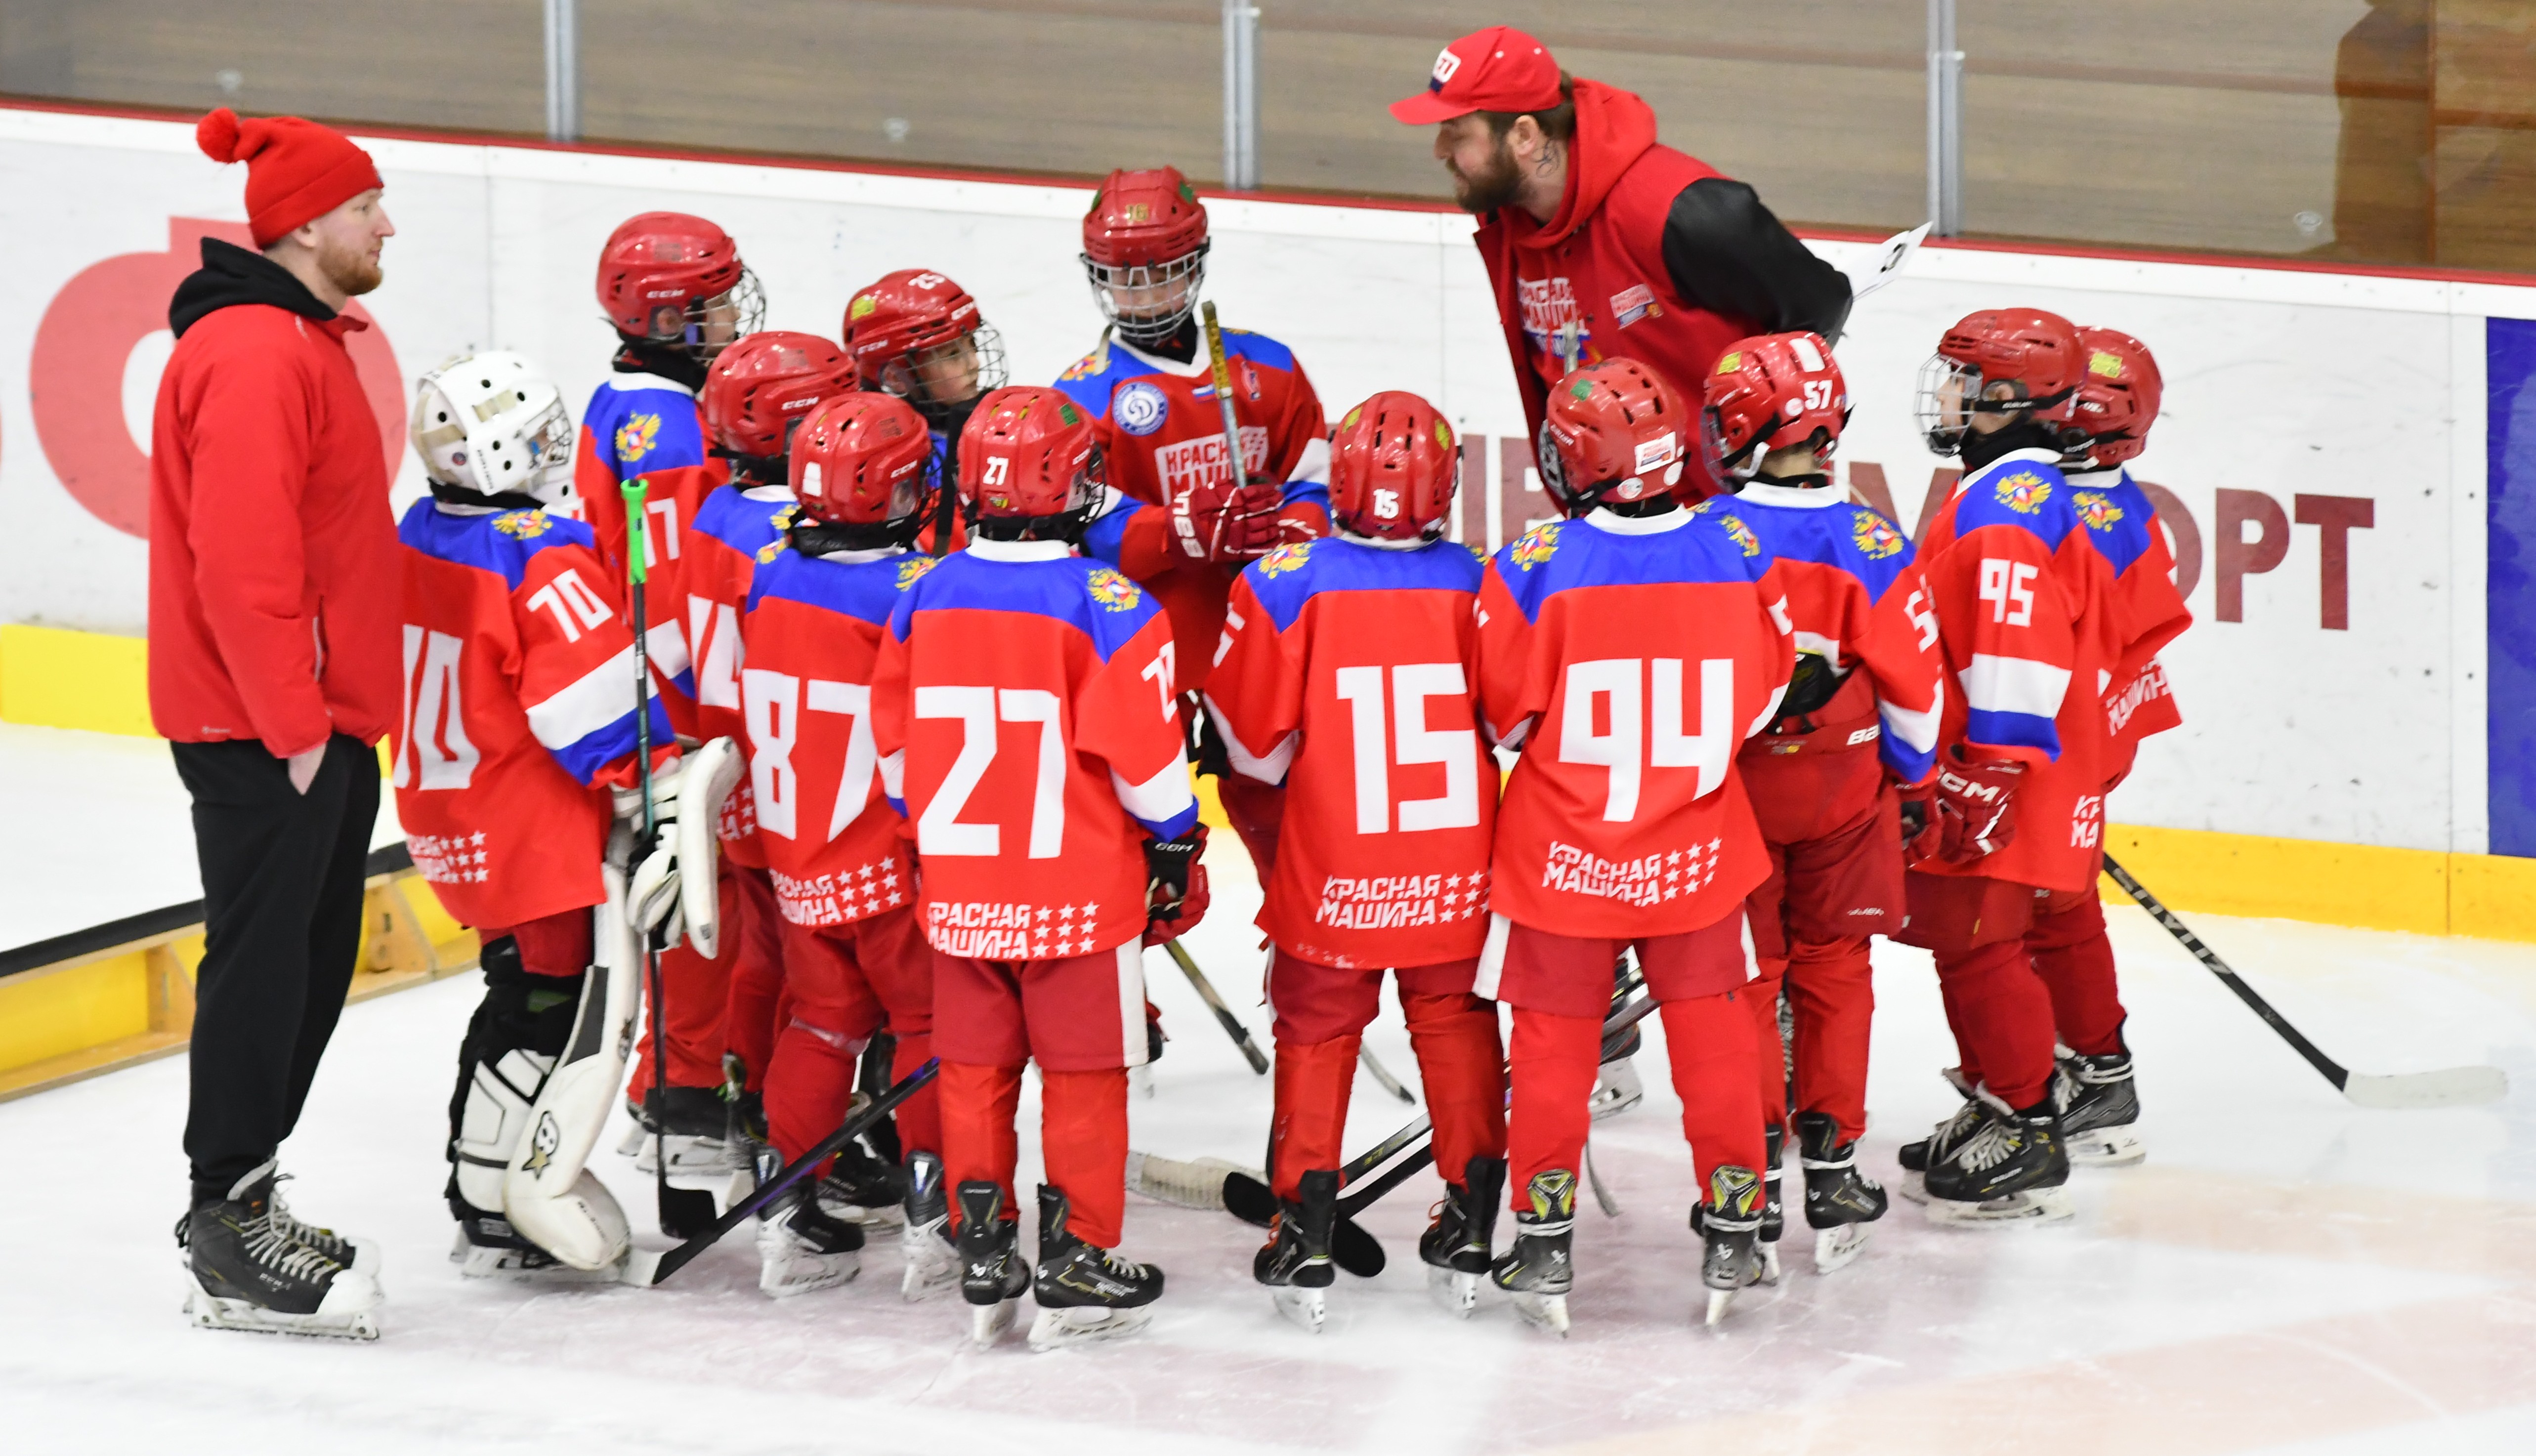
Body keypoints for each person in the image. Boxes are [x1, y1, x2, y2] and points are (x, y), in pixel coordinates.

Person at [870, 385, 1207, 1352]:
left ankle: (986, 1254)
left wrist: (922, 836)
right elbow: (1144, 763)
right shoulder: (1107, 605)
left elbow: (895, 755)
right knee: (1085, 1075)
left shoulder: (921, 593)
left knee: (973, 1072)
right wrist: (1177, 841)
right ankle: (1079, 1255)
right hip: (1077, 894)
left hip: (964, 892)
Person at [1473, 359, 1795, 1333]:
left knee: (1554, 1050)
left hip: (1562, 856)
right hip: (1697, 851)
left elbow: (1503, 719)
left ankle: (1541, 1240)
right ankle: (1737, 1224)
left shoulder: (1532, 565)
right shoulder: (1735, 546)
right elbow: (1765, 697)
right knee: (1717, 1040)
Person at [153, 107, 399, 1340]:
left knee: (303, 968)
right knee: (263, 972)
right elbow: (241, 561)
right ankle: (222, 1224)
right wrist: (294, 723)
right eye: (366, 208)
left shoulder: (301, 337)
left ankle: (248, 1189)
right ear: (306, 225)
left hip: (312, 719)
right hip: (271, 728)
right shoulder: (257, 351)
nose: (383, 226)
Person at [1202, 391, 1505, 1331]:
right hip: (1457, 865)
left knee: (1316, 1034)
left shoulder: (1285, 580)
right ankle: (1469, 1221)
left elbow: (1249, 751)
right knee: (1454, 1026)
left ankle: (1303, 1233)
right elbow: (1514, 721)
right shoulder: (1484, 581)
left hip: (1333, 864)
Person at [393, 351, 679, 1281]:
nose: (557, 445)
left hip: (454, 813)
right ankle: (488, 1195)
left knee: (517, 988)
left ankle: (485, 1187)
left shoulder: (420, 527)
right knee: (549, 1005)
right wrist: (660, 773)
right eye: (538, 431)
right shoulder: (534, 550)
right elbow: (592, 703)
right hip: (534, 829)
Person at [1699, 332, 1944, 1276]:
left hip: (1736, 801)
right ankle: (1835, 1161)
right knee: (1837, 970)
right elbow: (1914, 689)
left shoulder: (1711, 535)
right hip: (1844, 796)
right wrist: (1914, 783)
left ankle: (1755, 1168)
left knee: (1752, 980)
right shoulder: (1873, 537)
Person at [1391, 25, 1853, 502]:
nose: (1440, 151)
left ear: (1525, 136)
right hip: (1609, 523)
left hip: (1724, 530)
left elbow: (1822, 303)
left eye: (1455, 132)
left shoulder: (1679, 213)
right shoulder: (1508, 216)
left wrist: (1764, 478)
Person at [623, 331, 861, 1225]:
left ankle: (733, 1107)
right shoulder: (796, 536)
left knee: (759, 959)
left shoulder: (710, 509)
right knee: (816, 981)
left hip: (725, 775)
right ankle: (784, 1134)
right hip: (801, 779)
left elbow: (669, 652)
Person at [1891, 307, 2121, 1226]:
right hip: (2020, 760)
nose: (1943, 395)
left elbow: (2015, 654)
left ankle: (2027, 1122)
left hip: (2009, 765)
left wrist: (1985, 772)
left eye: (1958, 378)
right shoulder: (1999, 491)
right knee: (1966, 943)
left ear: (2004, 398)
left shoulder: (2001, 511)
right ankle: (1996, 1099)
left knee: (1985, 948)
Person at [1057, 166, 1332, 876]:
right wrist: (1184, 531)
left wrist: (1291, 536)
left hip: (1259, 632)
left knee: (1291, 820)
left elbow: (1316, 476)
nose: (1144, 296)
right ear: (1098, 278)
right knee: (1140, 838)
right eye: (1124, 278)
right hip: (1149, 637)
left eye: (1162, 275)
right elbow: (1084, 522)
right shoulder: (1084, 395)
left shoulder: (1266, 367)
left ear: (1196, 265)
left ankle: (1299, 965)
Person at [740, 392, 952, 1299]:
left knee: (820, 1024)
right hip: (884, 857)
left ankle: (786, 1216)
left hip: (797, 852)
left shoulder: (769, 568)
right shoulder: (914, 589)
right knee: (928, 1026)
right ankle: (935, 1218)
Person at [2028, 327, 2191, 1166]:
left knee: (2048, 912)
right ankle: (2086, 1059)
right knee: (2051, 910)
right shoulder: (2123, 501)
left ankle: (2097, 1069)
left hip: (2064, 738)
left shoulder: (2073, 518)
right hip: (2090, 733)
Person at [576, 211, 761, 578]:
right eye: (721, 303)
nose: (737, 312)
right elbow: (677, 589)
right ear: (670, 323)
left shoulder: (611, 395)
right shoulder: (684, 442)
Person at [844, 267, 1007, 549]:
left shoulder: (979, 422)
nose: (974, 364)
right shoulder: (901, 464)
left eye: (971, 345)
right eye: (953, 354)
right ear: (896, 378)